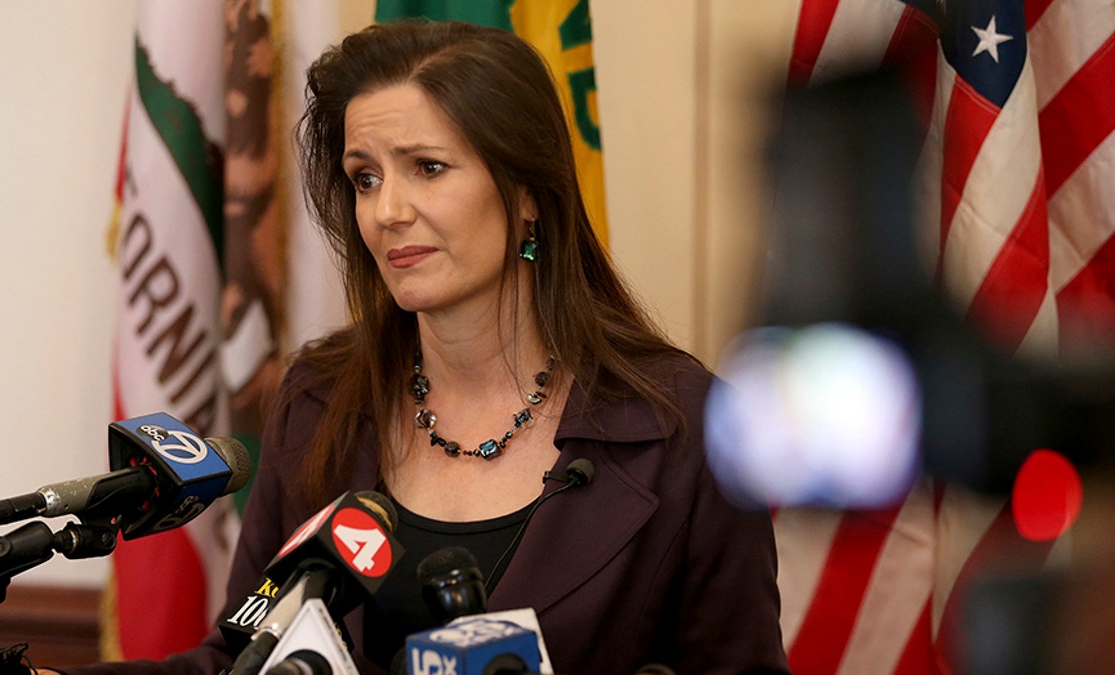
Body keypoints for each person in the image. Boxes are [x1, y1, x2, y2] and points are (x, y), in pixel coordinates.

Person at [59, 20, 788, 675]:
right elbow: (243, 658)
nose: (387, 211)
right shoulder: (319, 399)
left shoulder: (683, 423)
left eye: (427, 168)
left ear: (527, 190)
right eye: (365, 177)